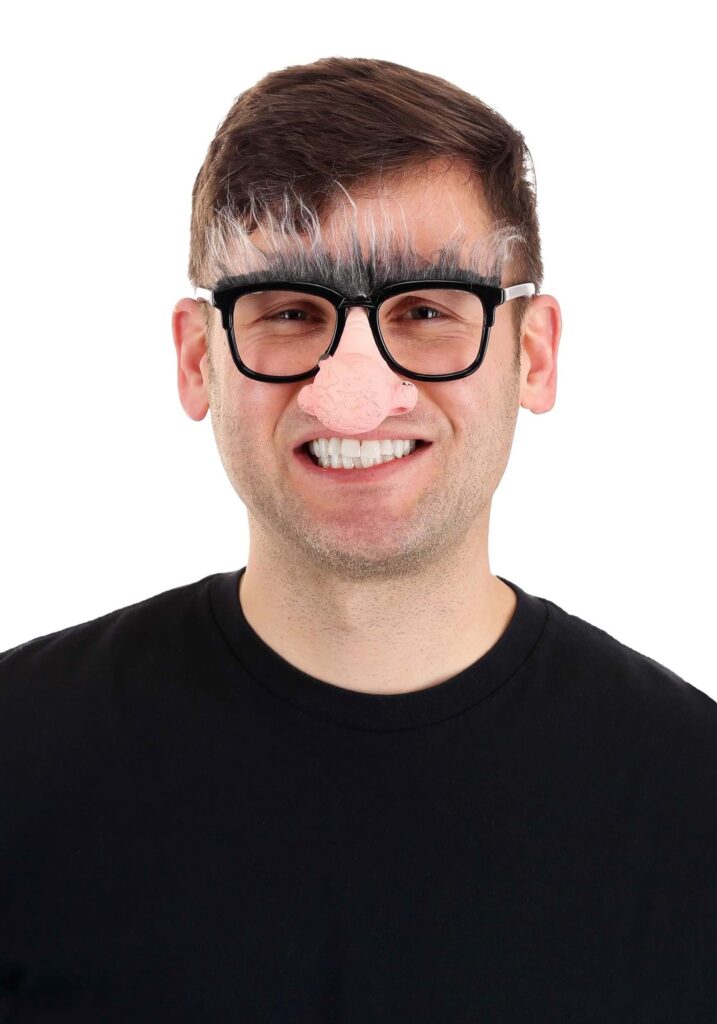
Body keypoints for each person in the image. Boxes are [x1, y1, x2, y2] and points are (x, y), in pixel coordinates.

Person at [0, 56, 714, 1023]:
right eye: (291, 312)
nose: (354, 396)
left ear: (533, 355)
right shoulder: (20, 758)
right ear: (198, 358)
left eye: (424, 310)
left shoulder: (689, 799)